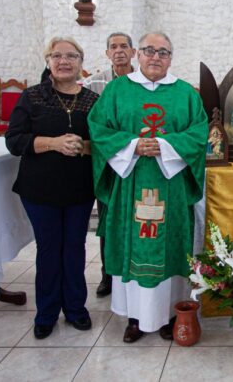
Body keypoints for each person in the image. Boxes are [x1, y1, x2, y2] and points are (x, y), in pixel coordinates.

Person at [88, 32, 208, 343]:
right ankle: (135, 317)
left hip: (172, 184)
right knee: (134, 245)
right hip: (131, 182)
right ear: (137, 54)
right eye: (149, 50)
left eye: (163, 52)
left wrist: (165, 146)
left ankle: (172, 313)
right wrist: (132, 146)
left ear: (171, 58)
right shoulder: (116, 91)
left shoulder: (186, 94)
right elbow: (98, 129)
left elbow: (199, 133)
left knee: (172, 248)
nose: (156, 57)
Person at [5, 37, 98, 340]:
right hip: (40, 188)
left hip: (79, 189)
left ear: (80, 63)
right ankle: (46, 312)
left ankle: (75, 308)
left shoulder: (92, 100)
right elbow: (14, 140)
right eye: (56, 55)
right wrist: (53, 143)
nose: (63, 61)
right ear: (47, 61)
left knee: (74, 247)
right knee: (48, 249)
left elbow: (104, 142)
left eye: (71, 55)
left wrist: (84, 147)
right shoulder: (32, 97)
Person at [82, 31, 136, 298]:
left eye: (124, 46)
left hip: (139, 161)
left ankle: (134, 268)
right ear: (107, 54)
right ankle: (107, 274)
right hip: (109, 162)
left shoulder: (145, 81)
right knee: (109, 219)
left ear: (134, 52)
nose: (119, 51)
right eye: (113, 47)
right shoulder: (93, 84)